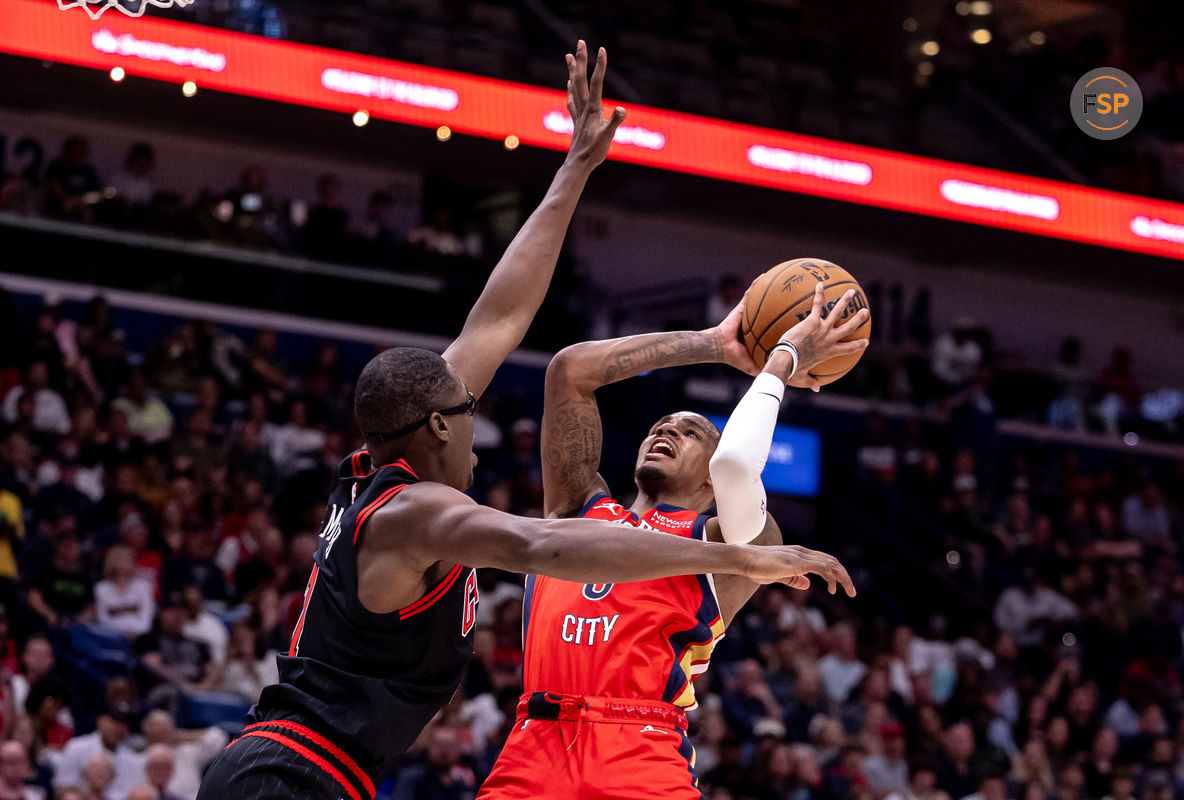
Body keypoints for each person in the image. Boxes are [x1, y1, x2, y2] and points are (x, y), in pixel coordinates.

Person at [197, 43, 841, 800]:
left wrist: (577, 168)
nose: (477, 419)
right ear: (438, 428)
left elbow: (498, 318)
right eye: (466, 413)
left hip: (332, 763)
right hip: (307, 770)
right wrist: (749, 562)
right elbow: (538, 542)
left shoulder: (390, 458)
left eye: (689, 428)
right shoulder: (420, 509)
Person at [477, 283, 866, 799]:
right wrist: (712, 343)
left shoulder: (730, 542)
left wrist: (783, 361)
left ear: (709, 481)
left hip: (641, 745)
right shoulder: (577, 508)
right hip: (535, 741)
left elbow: (735, 465)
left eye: (689, 433)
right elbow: (569, 370)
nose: (667, 430)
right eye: (661, 425)